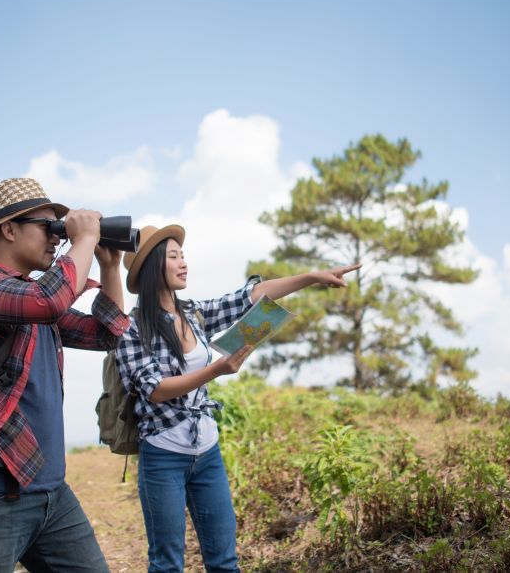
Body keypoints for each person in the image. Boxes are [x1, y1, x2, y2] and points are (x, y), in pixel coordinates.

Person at [115, 224, 359, 573]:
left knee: (225, 560)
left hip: (207, 453)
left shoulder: (194, 313)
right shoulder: (133, 328)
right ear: (154, 267)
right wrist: (217, 369)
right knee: (167, 563)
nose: (184, 263)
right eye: (173, 257)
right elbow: (154, 389)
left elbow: (250, 296)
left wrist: (310, 277)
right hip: (163, 455)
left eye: (183, 255)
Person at [0, 177, 129, 573]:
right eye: (48, 227)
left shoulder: (31, 298)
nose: (57, 238)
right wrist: (84, 239)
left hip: (49, 491)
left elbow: (106, 334)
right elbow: (48, 300)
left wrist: (109, 267)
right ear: (8, 229)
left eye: (60, 230)